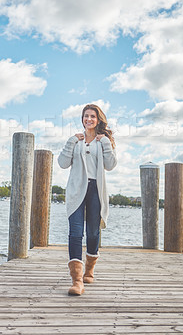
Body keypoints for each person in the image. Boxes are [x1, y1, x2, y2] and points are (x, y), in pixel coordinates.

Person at [58, 104, 117, 296]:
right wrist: (71, 141)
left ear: (98, 120)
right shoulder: (76, 141)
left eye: (92, 116)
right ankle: (77, 281)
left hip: (95, 191)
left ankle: (89, 269)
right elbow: (62, 163)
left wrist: (106, 143)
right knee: (75, 233)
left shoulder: (102, 142)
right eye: (86, 116)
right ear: (82, 119)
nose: (89, 119)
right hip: (77, 190)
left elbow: (110, 165)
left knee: (92, 232)